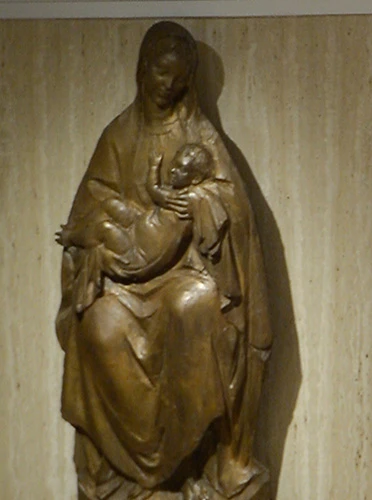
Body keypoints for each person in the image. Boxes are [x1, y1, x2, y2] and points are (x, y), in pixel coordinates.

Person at [55, 21, 271, 499]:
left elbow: (234, 207)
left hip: (182, 273)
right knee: (97, 327)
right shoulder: (118, 136)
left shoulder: (199, 135)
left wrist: (197, 202)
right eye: (160, 72)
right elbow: (90, 202)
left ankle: (187, 466)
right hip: (124, 278)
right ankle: (120, 471)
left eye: (177, 77)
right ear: (142, 68)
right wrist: (115, 225)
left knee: (197, 307)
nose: (167, 85)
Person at [56, 143, 221, 290]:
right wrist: (154, 167)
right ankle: (80, 229)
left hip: (137, 255)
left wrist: (154, 168)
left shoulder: (189, 200)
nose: (173, 170)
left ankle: (71, 237)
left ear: (196, 179)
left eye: (181, 169)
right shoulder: (173, 192)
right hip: (136, 227)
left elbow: (154, 190)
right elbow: (153, 190)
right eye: (174, 164)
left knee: (105, 229)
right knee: (111, 204)